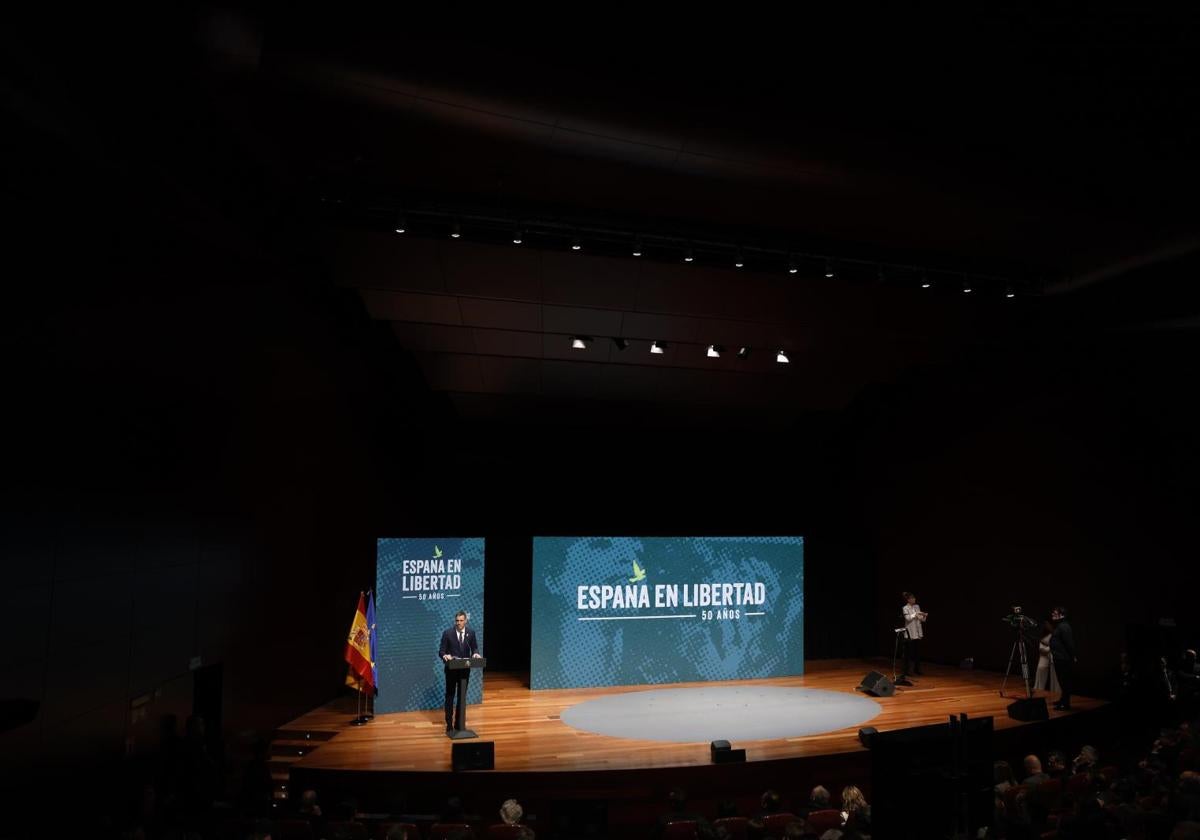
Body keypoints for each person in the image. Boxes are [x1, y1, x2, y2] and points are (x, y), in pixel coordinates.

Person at [439, 610, 481, 733]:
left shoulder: (471, 633)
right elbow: (441, 651)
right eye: (457, 621)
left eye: (461, 620)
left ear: (465, 621)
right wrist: (445, 656)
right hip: (451, 669)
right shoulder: (447, 633)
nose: (459, 623)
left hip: (464, 670)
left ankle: (459, 723)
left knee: (462, 696)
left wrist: (476, 654)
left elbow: (474, 648)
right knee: (450, 696)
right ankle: (449, 724)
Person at [1049, 606, 1076, 711]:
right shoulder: (1060, 625)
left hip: (1063, 659)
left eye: (1055, 613)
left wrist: (1072, 656)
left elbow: (1069, 643)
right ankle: (1063, 700)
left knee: (1064, 681)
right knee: (1062, 681)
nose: (1052, 614)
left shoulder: (1064, 626)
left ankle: (1066, 703)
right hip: (1060, 658)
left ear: (1062, 615)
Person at [901, 592, 927, 676]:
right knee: (908, 654)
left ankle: (917, 669)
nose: (914, 600)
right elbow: (908, 618)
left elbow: (921, 619)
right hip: (910, 633)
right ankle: (906, 671)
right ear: (908, 600)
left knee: (917, 653)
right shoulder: (905, 608)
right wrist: (916, 614)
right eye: (912, 598)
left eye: (914, 598)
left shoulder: (917, 606)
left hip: (917, 632)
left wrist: (924, 615)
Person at [1036, 620, 1060, 694]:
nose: (1048, 625)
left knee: (1055, 676)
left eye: (1049, 624)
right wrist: (1048, 647)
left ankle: (1056, 692)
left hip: (1053, 657)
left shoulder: (1054, 634)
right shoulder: (1044, 635)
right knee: (1041, 670)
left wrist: (1049, 647)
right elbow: (1041, 649)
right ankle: (1038, 690)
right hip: (1044, 657)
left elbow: (1056, 646)